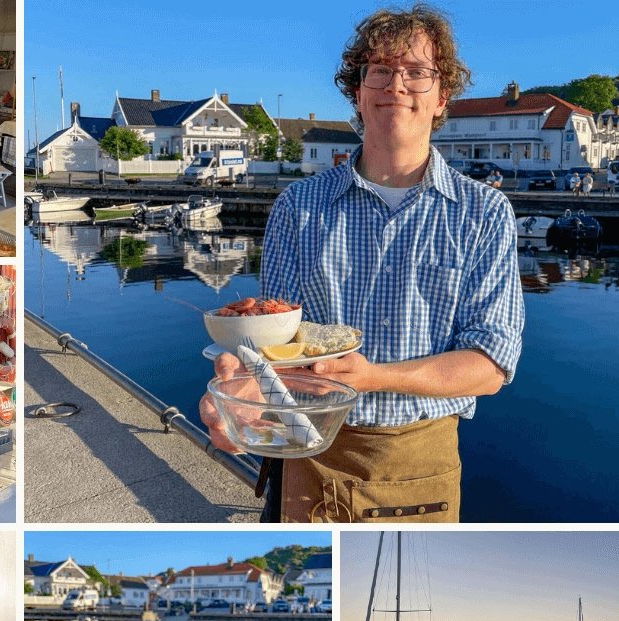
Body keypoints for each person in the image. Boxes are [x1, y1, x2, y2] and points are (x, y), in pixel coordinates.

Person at [200, 4, 524, 522]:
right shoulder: (298, 206)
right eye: (380, 70)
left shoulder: (483, 213)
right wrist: (235, 387)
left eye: (418, 72)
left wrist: (371, 375)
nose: (397, 84)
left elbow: (489, 366)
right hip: (306, 450)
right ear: (358, 90)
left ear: (442, 97)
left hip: (418, 460)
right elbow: (273, 343)